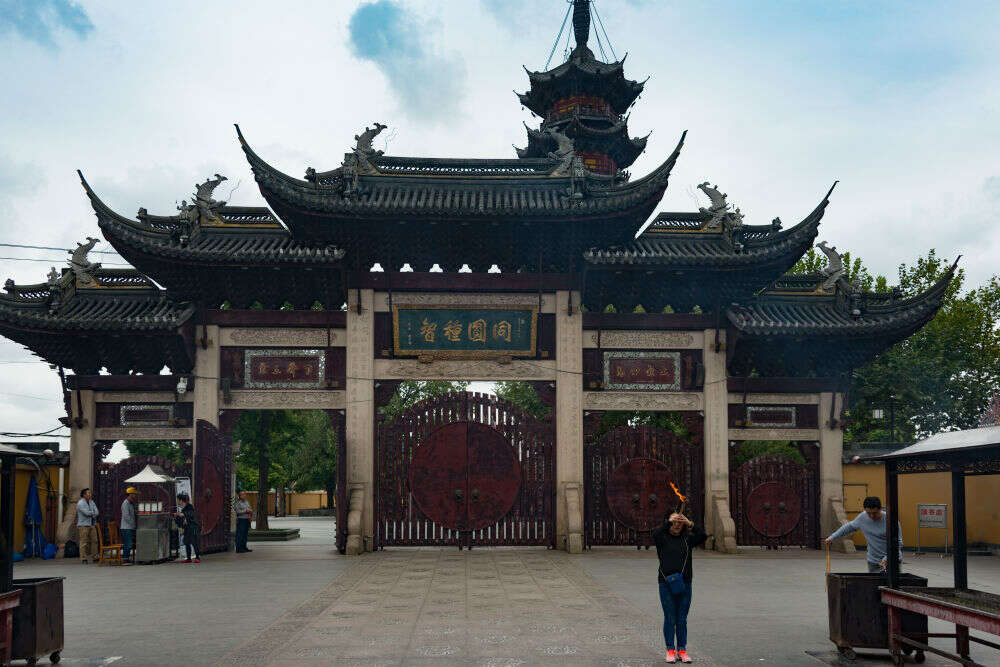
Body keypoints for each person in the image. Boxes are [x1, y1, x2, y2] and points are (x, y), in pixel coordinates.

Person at [653, 512, 708, 664]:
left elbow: (703, 536)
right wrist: (668, 521)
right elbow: (655, 534)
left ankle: (682, 650)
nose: (677, 524)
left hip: (685, 583)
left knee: (682, 619)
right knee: (670, 618)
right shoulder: (662, 538)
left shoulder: (687, 539)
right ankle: (670, 650)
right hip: (665, 583)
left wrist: (690, 523)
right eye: (674, 522)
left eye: (680, 522)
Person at [825, 496, 903, 573]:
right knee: (873, 585)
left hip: (892, 561)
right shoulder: (862, 517)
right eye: (869, 513)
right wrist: (832, 537)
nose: (872, 516)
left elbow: (898, 544)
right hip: (873, 562)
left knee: (893, 585)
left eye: (875, 513)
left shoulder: (891, 520)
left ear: (880, 509)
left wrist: (887, 558)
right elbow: (848, 527)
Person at [174, 492, 201, 563]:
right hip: (187, 528)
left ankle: (197, 557)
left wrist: (182, 514)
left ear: (181, 500)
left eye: (178, 500)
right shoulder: (183, 509)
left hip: (193, 527)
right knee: (186, 542)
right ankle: (189, 558)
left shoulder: (189, 506)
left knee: (194, 542)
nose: (177, 502)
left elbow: (190, 514)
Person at [76, 488, 99, 564]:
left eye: (90, 493)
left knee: (95, 541)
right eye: (88, 493)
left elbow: (97, 512)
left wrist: (92, 513)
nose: (90, 494)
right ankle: (83, 558)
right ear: (84, 494)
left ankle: (95, 557)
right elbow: (86, 513)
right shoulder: (80, 503)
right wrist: (93, 513)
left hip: (92, 524)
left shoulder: (91, 502)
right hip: (83, 525)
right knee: (84, 542)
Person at [120, 487, 138, 564]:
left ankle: (126, 558)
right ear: (130, 494)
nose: (135, 495)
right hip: (126, 527)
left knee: (129, 543)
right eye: (133, 494)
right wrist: (133, 524)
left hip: (130, 527)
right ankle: (125, 559)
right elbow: (126, 516)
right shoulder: (125, 503)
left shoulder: (130, 503)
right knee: (128, 543)